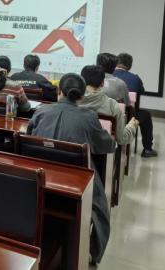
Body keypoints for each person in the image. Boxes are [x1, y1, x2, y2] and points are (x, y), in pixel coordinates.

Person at [27, 73, 116, 265]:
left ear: (59, 91)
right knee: (101, 205)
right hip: (75, 180)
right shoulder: (88, 117)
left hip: (38, 174)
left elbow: (29, 135)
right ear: (82, 96)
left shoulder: (41, 111)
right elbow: (106, 145)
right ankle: (93, 253)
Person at [79, 65, 138, 145]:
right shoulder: (112, 105)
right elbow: (121, 139)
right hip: (102, 150)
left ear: (81, 80)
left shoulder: (72, 102)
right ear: (102, 83)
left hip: (77, 147)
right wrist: (131, 126)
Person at [114, 53, 157, 157]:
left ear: (116, 63)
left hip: (107, 114)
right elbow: (141, 92)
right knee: (146, 115)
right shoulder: (135, 78)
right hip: (128, 117)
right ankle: (147, 149)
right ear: (130, 66)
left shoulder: (107, 75)